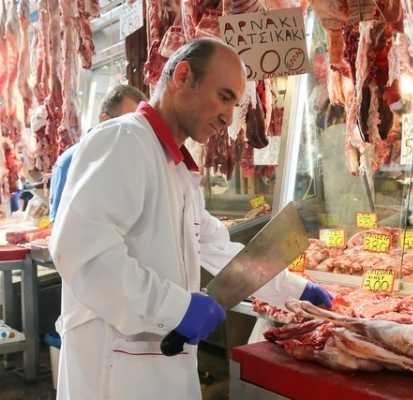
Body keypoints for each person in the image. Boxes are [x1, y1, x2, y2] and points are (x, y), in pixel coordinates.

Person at [49, 38, 332, 400]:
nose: (229, 117)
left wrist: (293, 290)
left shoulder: (177, 167)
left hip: (158, 366)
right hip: (114, 372)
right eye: (224, 97)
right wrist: (176, 308)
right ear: (183, 76)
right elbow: (83, 255)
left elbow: (215, 246)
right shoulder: (123, 142)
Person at [48, 84, 147, 221]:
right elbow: (60, 224)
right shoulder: (70, 161)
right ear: (104, 120)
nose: (135, 134)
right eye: (128, 125)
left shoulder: (134, 163)